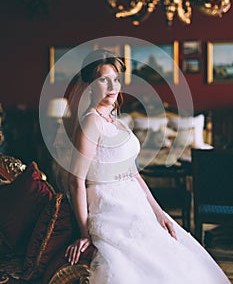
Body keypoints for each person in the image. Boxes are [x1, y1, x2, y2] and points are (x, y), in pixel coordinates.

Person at [62, 49, 230, 284]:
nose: (112, 86)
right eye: (104, 80)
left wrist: (159, 213)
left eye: (116, 80)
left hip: (135, 203)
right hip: (110, 208)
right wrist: (84, 233)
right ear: (90, 84)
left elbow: (134, 175)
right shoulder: (92, 121)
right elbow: (76, 180)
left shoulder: (115, 119)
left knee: (177, 254)